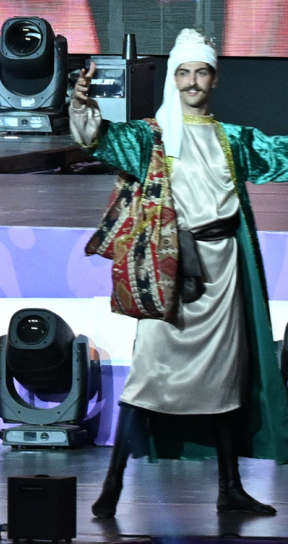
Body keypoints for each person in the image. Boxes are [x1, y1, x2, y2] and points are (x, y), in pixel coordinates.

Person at [77, 29, 288, 518]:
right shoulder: (151, 136)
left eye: (202, 72)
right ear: (174, 79)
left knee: (226, 382)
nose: (193, 82)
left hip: (223, 270)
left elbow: (280, 154)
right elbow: (98, 138)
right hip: (170, 272)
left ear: (214, 79)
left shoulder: (232, 139)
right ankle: (112, 485)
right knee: (149, 378)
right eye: (184, 73)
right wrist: (83, 105)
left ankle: (230, 488)